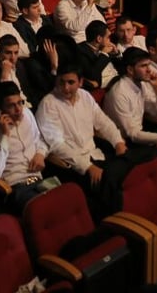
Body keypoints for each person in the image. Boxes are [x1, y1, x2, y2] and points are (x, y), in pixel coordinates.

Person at [36, 64, 129, 209]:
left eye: (71, 82)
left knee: (129, 166)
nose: (65, 87)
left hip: (95, 154)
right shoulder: (48, 104)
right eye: (61, 82)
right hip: (72, 165)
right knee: (108, 183)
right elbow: (57, 145)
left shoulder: (85, 96)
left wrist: (118, 142)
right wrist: (87, 167)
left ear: (80, 82)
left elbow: (103, 122)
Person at [0, 82, 49, 206]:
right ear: (1, 110)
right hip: (17, 188)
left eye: (19, 103)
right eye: (11, 106)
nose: (18, 109)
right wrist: (5, 136)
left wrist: (40, 154)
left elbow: (39, 139)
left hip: (38, 181)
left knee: (65, 198)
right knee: (44, 207)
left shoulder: (28, 115)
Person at [102, 47, 157, 146]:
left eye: (149, 65)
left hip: (140, 134)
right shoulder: (119, 93)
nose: (149, 70)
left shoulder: (139, 84)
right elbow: (132, 135)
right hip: (126, 143)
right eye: (144, 66)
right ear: (130, 69)